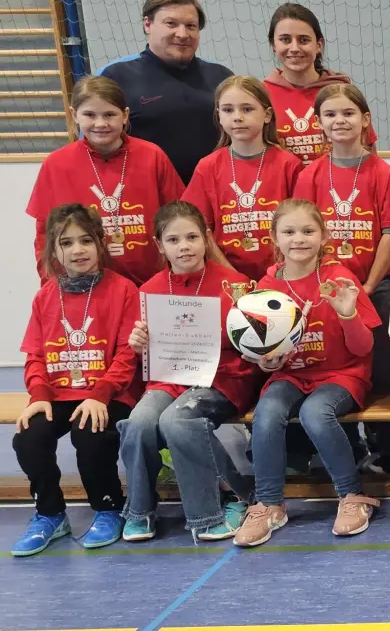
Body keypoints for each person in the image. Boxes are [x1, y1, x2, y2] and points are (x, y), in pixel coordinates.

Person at [234, 199, 382, 547]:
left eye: (307, 230)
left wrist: (348, 315)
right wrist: (265, 361)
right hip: (291, 375)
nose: (298, 239)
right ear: (274, 238)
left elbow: (363, 349)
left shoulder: (339, 278)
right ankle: (269, 503)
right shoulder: (265, 287)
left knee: (316, 412)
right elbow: (261, 350)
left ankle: (351, 495)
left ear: (324, 235)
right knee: (267, 413)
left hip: (341, 374)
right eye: (288, 231)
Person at [291, 83, 390, 472]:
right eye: (330, 114)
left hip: (376, 288)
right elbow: (301, 234)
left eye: (347, 113)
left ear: (365, 120)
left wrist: (366, 286)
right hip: (325, 292)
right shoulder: (309, 175)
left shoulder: (383, 174)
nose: (339, 120)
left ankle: (389, 453)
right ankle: (345, 449)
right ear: (319, 123)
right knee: (334, 369)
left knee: (382, 371)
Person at [120, 201, 260, 542]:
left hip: (223, 378)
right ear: (159, 245)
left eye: (192, 237)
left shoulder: (235, 285)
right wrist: (138, 343)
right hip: (169, 378)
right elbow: (138, 353)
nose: (184, 246)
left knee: (176, 420)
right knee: (139, 422)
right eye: (173, 240)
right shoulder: (149, 290)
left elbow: (254, 341)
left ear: (207, 239)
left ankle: (223, 503)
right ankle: (140, 510)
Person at [11, 204, 140, 556]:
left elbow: (128, 354)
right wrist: (38, 394)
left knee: (91, 433)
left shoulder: (124, 290)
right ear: (54, 251)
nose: (77, 250)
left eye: (86, 240)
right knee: (29, 437)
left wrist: (100, 395)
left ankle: (108, 507)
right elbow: (35, 355)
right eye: (66, 243)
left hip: (108, 392)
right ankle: (50, 514)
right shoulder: (44, 297)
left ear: (100, 244)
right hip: (55, 392)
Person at [30, 76, 185, 286]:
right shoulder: (56, 164)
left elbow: (180, 218)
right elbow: (43, 234)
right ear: (74, 115)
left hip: (151, 284)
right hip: (84, 287)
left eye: (110, 114)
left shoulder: (152, 156)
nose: (100, 123)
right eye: (90, 115)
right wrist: (51, 283)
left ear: (125, 115)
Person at [99, 0, 234, 182]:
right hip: (146, 198)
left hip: (214, 196)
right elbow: (94, 145)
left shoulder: (222, 77)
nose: (182, 34)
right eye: (171, 23)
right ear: (148, 24)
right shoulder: (117, 77)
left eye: (191, 26)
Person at [183, 76, 304, 280]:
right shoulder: (208, 167)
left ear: (267, 115)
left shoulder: (288, 165)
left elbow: (302, 227)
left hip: (283, 276)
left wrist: (280, 274)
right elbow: (200, 230)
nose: (237, 117)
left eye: (247, 109)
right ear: (218, 116)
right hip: (225, 277)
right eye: (228, 110)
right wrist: (232, 276)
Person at [263, 3, 376, 165]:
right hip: (284, 190)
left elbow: (369, 153)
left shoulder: (343, 92)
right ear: (274, 45)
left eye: (303, 40)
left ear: (319, 45)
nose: (294, 48)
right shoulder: (262, 95)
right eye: (285, 40)